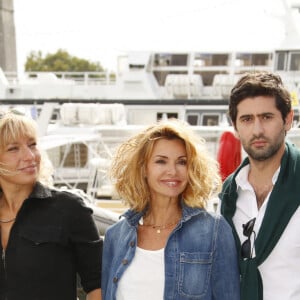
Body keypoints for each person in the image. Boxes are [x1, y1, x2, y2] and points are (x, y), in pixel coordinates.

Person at [102, 119, 240, 300]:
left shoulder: (213, 230)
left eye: (182, 162)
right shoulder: (115, 236)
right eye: (161, 161)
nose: (173, 171)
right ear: (144, 168)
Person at [0, 110, 102, 300]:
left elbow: (98, 285)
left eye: (32, 145)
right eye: (13, 148)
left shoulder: (69, 209)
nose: (30, 156)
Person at [218, 71, 300, 300]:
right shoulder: (228, 196)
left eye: (267, 117)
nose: (257, 130)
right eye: (247, 119)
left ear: (287, 119)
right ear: (235, 126)